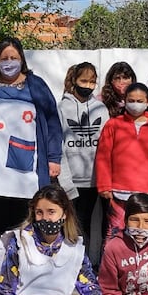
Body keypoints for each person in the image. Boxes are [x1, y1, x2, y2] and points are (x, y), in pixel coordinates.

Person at [0, 37, 62, 255]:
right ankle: (3, 268)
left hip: (26, 169)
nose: (9, 62)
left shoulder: (35, 85)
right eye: (4, 58)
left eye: (14, 57)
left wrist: (54, 158)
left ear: (22, 59)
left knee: (27, 221)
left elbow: (52, 122)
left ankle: (25, 266)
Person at [95, 82, 148, 240]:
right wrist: (104, 185)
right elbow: (103, 156)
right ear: (125, 100)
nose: (135, 104)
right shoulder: (113, 125)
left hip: (146, 196)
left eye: (140, 101)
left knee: (141, 235)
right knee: (115, 233)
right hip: (117, 194)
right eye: (131, 100)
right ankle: (109, 265)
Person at [57, 61, 109, 251]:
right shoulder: (62, 107)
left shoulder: (101, 109)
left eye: (92, 82)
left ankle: (84, 269)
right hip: (69, 180)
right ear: (74, 80)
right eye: (83, 80)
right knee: (70, 226)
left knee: (86, 226)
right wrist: (65, 180)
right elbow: (58, 145)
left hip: (94, 181)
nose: (87, 85)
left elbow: (106, 145)